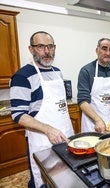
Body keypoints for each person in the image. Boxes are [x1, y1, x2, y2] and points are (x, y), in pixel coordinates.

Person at [9, 31, 74, 188]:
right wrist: (48, 129)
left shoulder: (57, 72)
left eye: (50, 46)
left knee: (66, 177)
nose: (47, 51)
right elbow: (18, 115)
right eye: (40, 46)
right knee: (44, 180)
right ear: (31, 49)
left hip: (65, 135)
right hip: (42, 142)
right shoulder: (22, 76)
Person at [77, 38, 110, 133]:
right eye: (104, 48)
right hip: (94, 125)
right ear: (97, 50)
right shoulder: (86, 71)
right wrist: (98, 120)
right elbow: (82, 102)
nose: (108, 53)